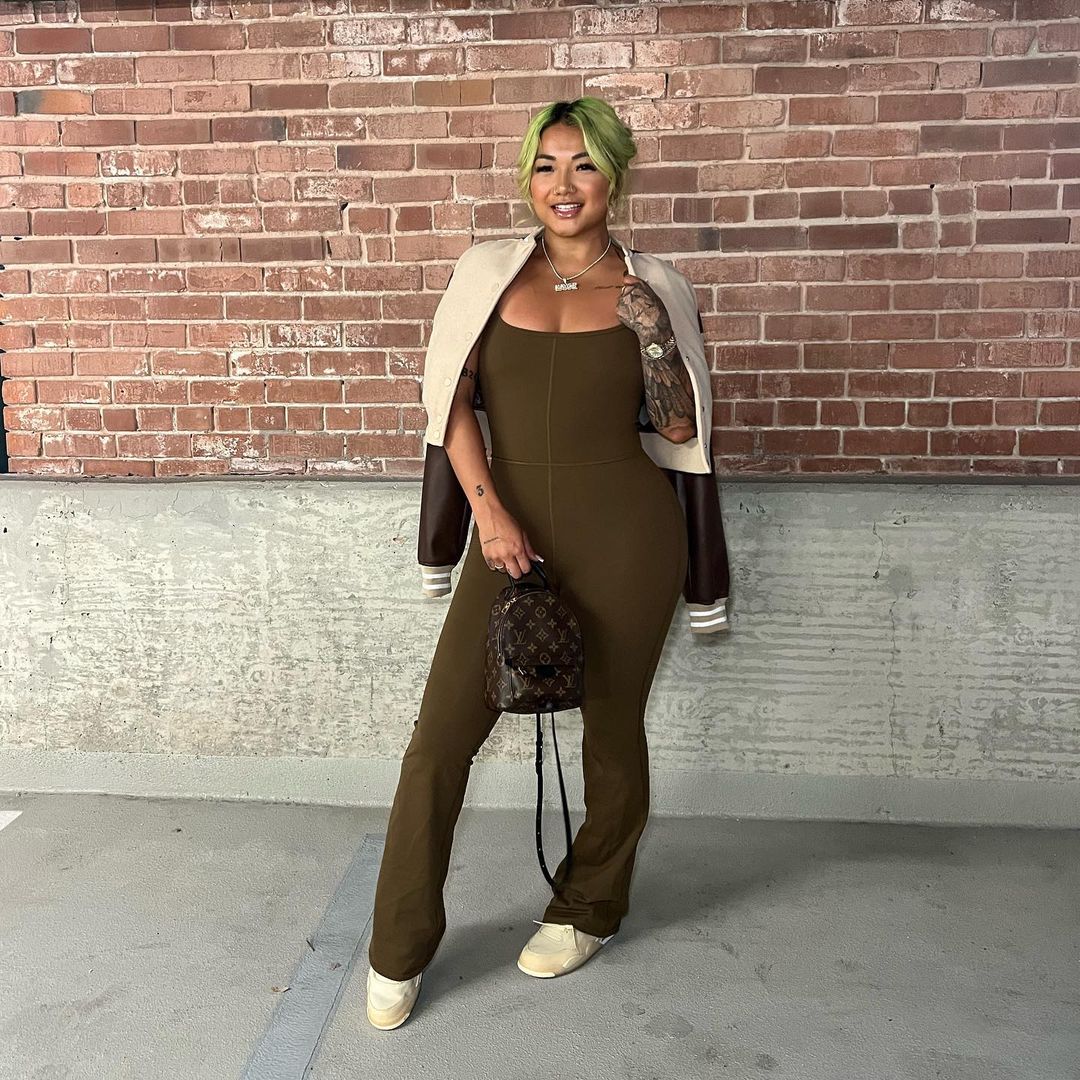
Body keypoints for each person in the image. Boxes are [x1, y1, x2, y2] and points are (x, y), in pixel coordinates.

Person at [366, 98, 710, 1030]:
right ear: (528, 177)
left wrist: (650, 329)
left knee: (612, 730)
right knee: (441, 739)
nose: (564, 185)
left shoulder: (653, 284)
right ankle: (398, 945)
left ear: (615, 178)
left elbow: (681, 428)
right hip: (506, 529)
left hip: (626, 533)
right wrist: (489, 514)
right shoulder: (486, 275)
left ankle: (589, 906)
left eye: (585, 165)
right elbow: (449, 404)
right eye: (548, 165)